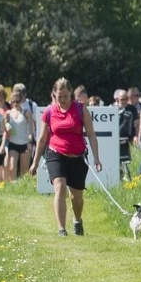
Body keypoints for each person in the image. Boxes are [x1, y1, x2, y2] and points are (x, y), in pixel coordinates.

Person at [32, 77, 103, 237]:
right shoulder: (49, 112)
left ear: (71, 93)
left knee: (76, 197)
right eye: (59, 97)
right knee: (60, 187)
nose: (62, 100)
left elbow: (91, 135)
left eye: (65, 96)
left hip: (78, 156)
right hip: (55, 153)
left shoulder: (81, 109)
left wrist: (97, 158)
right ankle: (61, 229)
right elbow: (42, 139)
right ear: (54, 95)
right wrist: (35, 162)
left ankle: (77, 220)